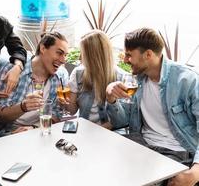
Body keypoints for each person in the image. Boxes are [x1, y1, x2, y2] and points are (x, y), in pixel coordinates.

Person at [106, 27, 199, 185]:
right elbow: (120, 122)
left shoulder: (187, 81)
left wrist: (196, 172)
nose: (125, 60)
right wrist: (111, 99)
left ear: (148, 55)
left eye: (129, 55)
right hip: (141, 142)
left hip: (175, 151)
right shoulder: (137, 80)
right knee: (102, 163)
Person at [0, 32, 69, 135]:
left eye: (65, 55)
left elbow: (57, 114)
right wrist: (23, 107)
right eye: (59, 53)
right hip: (10, 132)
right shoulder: (12, 71)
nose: (63, 60)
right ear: (43, 49)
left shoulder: (61, 76)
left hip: (40, 130)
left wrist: (34, 128)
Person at [58, 30, 120, 129]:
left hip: (109, 132)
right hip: (84, 129)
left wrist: (92, 132)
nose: (79, 58)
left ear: (94, 56)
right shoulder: (78, 73)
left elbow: (120, 121)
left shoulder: (119, 76)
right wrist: (64, 102)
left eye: (83, 53)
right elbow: (72, 111)